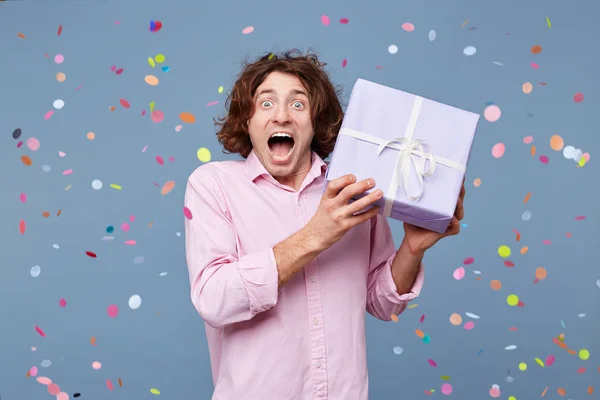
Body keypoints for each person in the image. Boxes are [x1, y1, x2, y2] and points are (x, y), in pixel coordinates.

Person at [184, 49, 465, 400]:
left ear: (316, 120)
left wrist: (412, 247)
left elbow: (383, 303)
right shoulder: (213, 185)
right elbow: (214, 299)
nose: (282, 116)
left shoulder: (354, 189)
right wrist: (315, 235)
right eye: (266, 103)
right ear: (246, 119)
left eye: (298, 104)